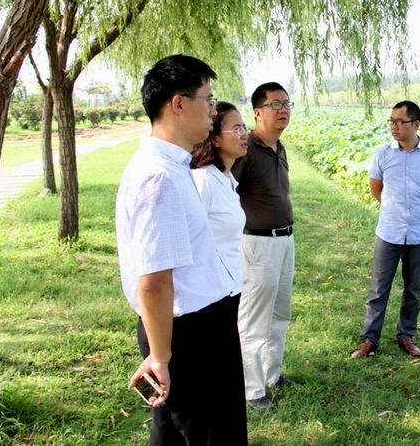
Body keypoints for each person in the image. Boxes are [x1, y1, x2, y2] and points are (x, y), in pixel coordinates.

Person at [116, 55, 247, 444]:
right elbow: (154, 280)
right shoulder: (159, 178)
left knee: (172, 434)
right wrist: (161, 356)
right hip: (191, 333)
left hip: (192, 325)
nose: (213, 110)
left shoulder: (173, 166)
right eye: (208, 99)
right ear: (178, 104)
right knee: (213, 433)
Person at [350, 101, 420, 359]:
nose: (394, 126)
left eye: (400, 122)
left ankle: (406, 335)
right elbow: (376, 188)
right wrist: (395, 209)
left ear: (416, 124)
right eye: (391, 121)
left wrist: (416, 206)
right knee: (378, 288)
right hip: (389, 231)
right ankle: (369, 339)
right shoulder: (382, 154)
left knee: (413, 289)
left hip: (419, 233)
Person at [232, 82, 297, 410]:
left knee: (279, 314)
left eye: (286, 104)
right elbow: (226, 192)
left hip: (285, 240)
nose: (283, 110)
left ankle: (273, 374)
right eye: (275, 104)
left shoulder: (279, 147)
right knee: (255, 320)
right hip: (259, 244)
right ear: (257, 112)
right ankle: (252, 389)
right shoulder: (246, 149)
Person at [191, 100, 249, 305]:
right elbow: (191, 240)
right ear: (215, 139)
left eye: (244, 128)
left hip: (232, 288)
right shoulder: (204, 180)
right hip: (210, 296)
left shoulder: (227, 180)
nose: (244, 134)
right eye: (236, 129)